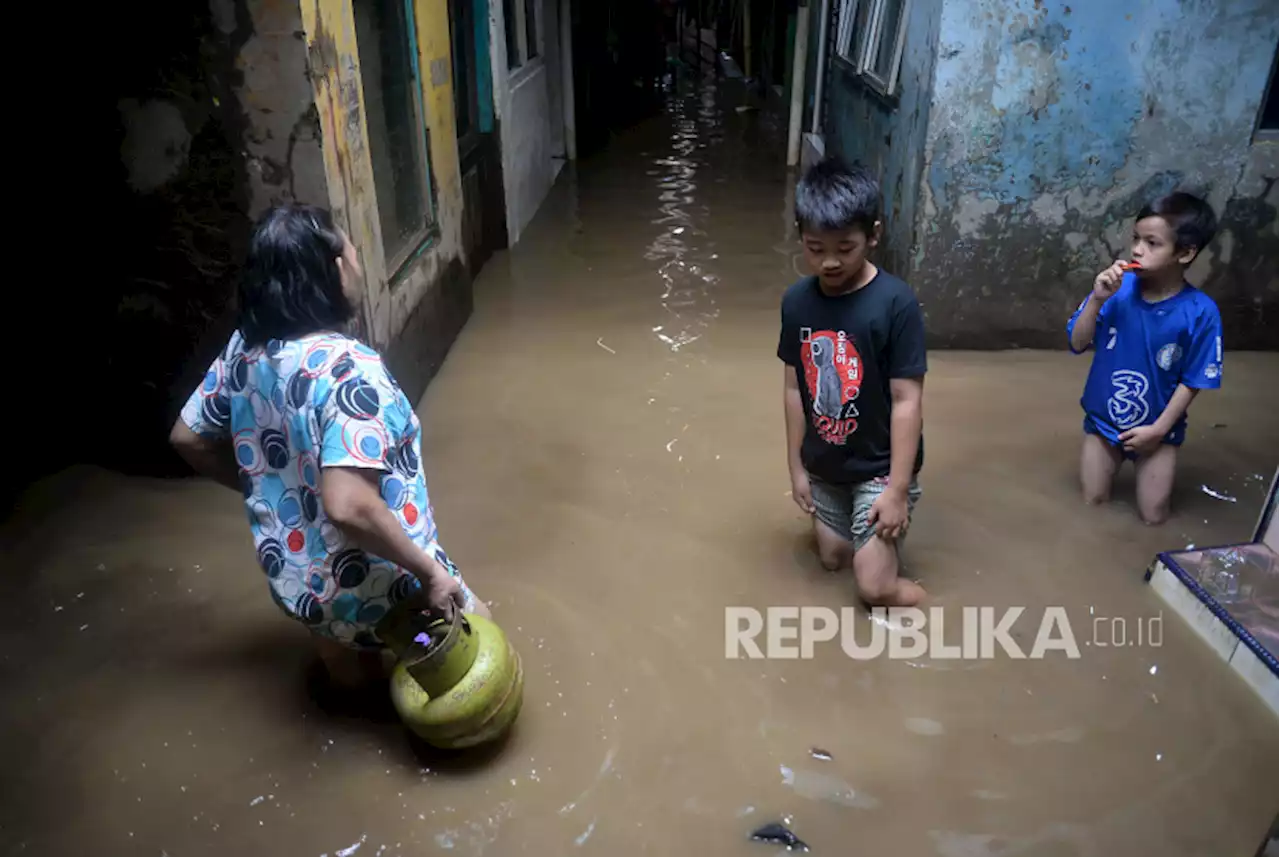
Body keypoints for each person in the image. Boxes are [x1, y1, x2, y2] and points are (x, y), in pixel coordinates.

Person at [169, 203, 489, 692]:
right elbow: (347, 505)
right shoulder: (349, 370)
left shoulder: (243, 352)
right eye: (352, 249)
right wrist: (431, 574)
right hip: (386, 581)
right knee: (481, 664)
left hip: (302, 584)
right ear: (337, 269)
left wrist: (266, 491)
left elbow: (187, 437)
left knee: (352, 692)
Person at [777, 159, 928, 608]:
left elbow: (907, 401)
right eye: (814, 247)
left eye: (845, 248)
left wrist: (897, 490)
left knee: (874, 588)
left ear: (873, 236)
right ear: (801, 235)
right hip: (826, 463)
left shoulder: (896, 303)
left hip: (880, 466)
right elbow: (792, 390)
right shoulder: (796, 303)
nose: (829, 261)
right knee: (831, 559)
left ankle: (931, 606)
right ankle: (852, 534)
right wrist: (796, 468)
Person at [1067, 192, 1224, 525]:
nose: (1137, 250)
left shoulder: (1201, 313)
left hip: (1158, 431)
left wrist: (1158, 430)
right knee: (1091, 505)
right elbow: (1078, 342)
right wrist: (1096, 301)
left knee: (1154, 517)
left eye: (1152, 243)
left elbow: (1194, 378)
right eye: (1136, 239)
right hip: (1102, 424)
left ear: (1185, 253)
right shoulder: (1115, 292)